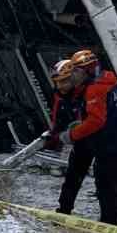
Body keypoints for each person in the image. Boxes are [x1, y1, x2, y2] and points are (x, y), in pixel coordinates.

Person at [54, 48, 117, 228]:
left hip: (108, 142)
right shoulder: (109, 78)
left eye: (75, 72)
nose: (73, 77)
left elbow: (96, 121)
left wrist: (71, 135)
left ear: (86, 71)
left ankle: (109, 226)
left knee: (106, 186)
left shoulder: (95, 89)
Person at [48, 59, 88, 216]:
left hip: (99, 138)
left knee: (106, 179)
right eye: (58, 82)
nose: (60, 86)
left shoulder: (88, 91)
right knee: (72, 176)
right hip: (79, 140)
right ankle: (63, 210)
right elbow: (57, 118)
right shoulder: (60, 96)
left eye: (64, 82)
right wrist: (55, 135)